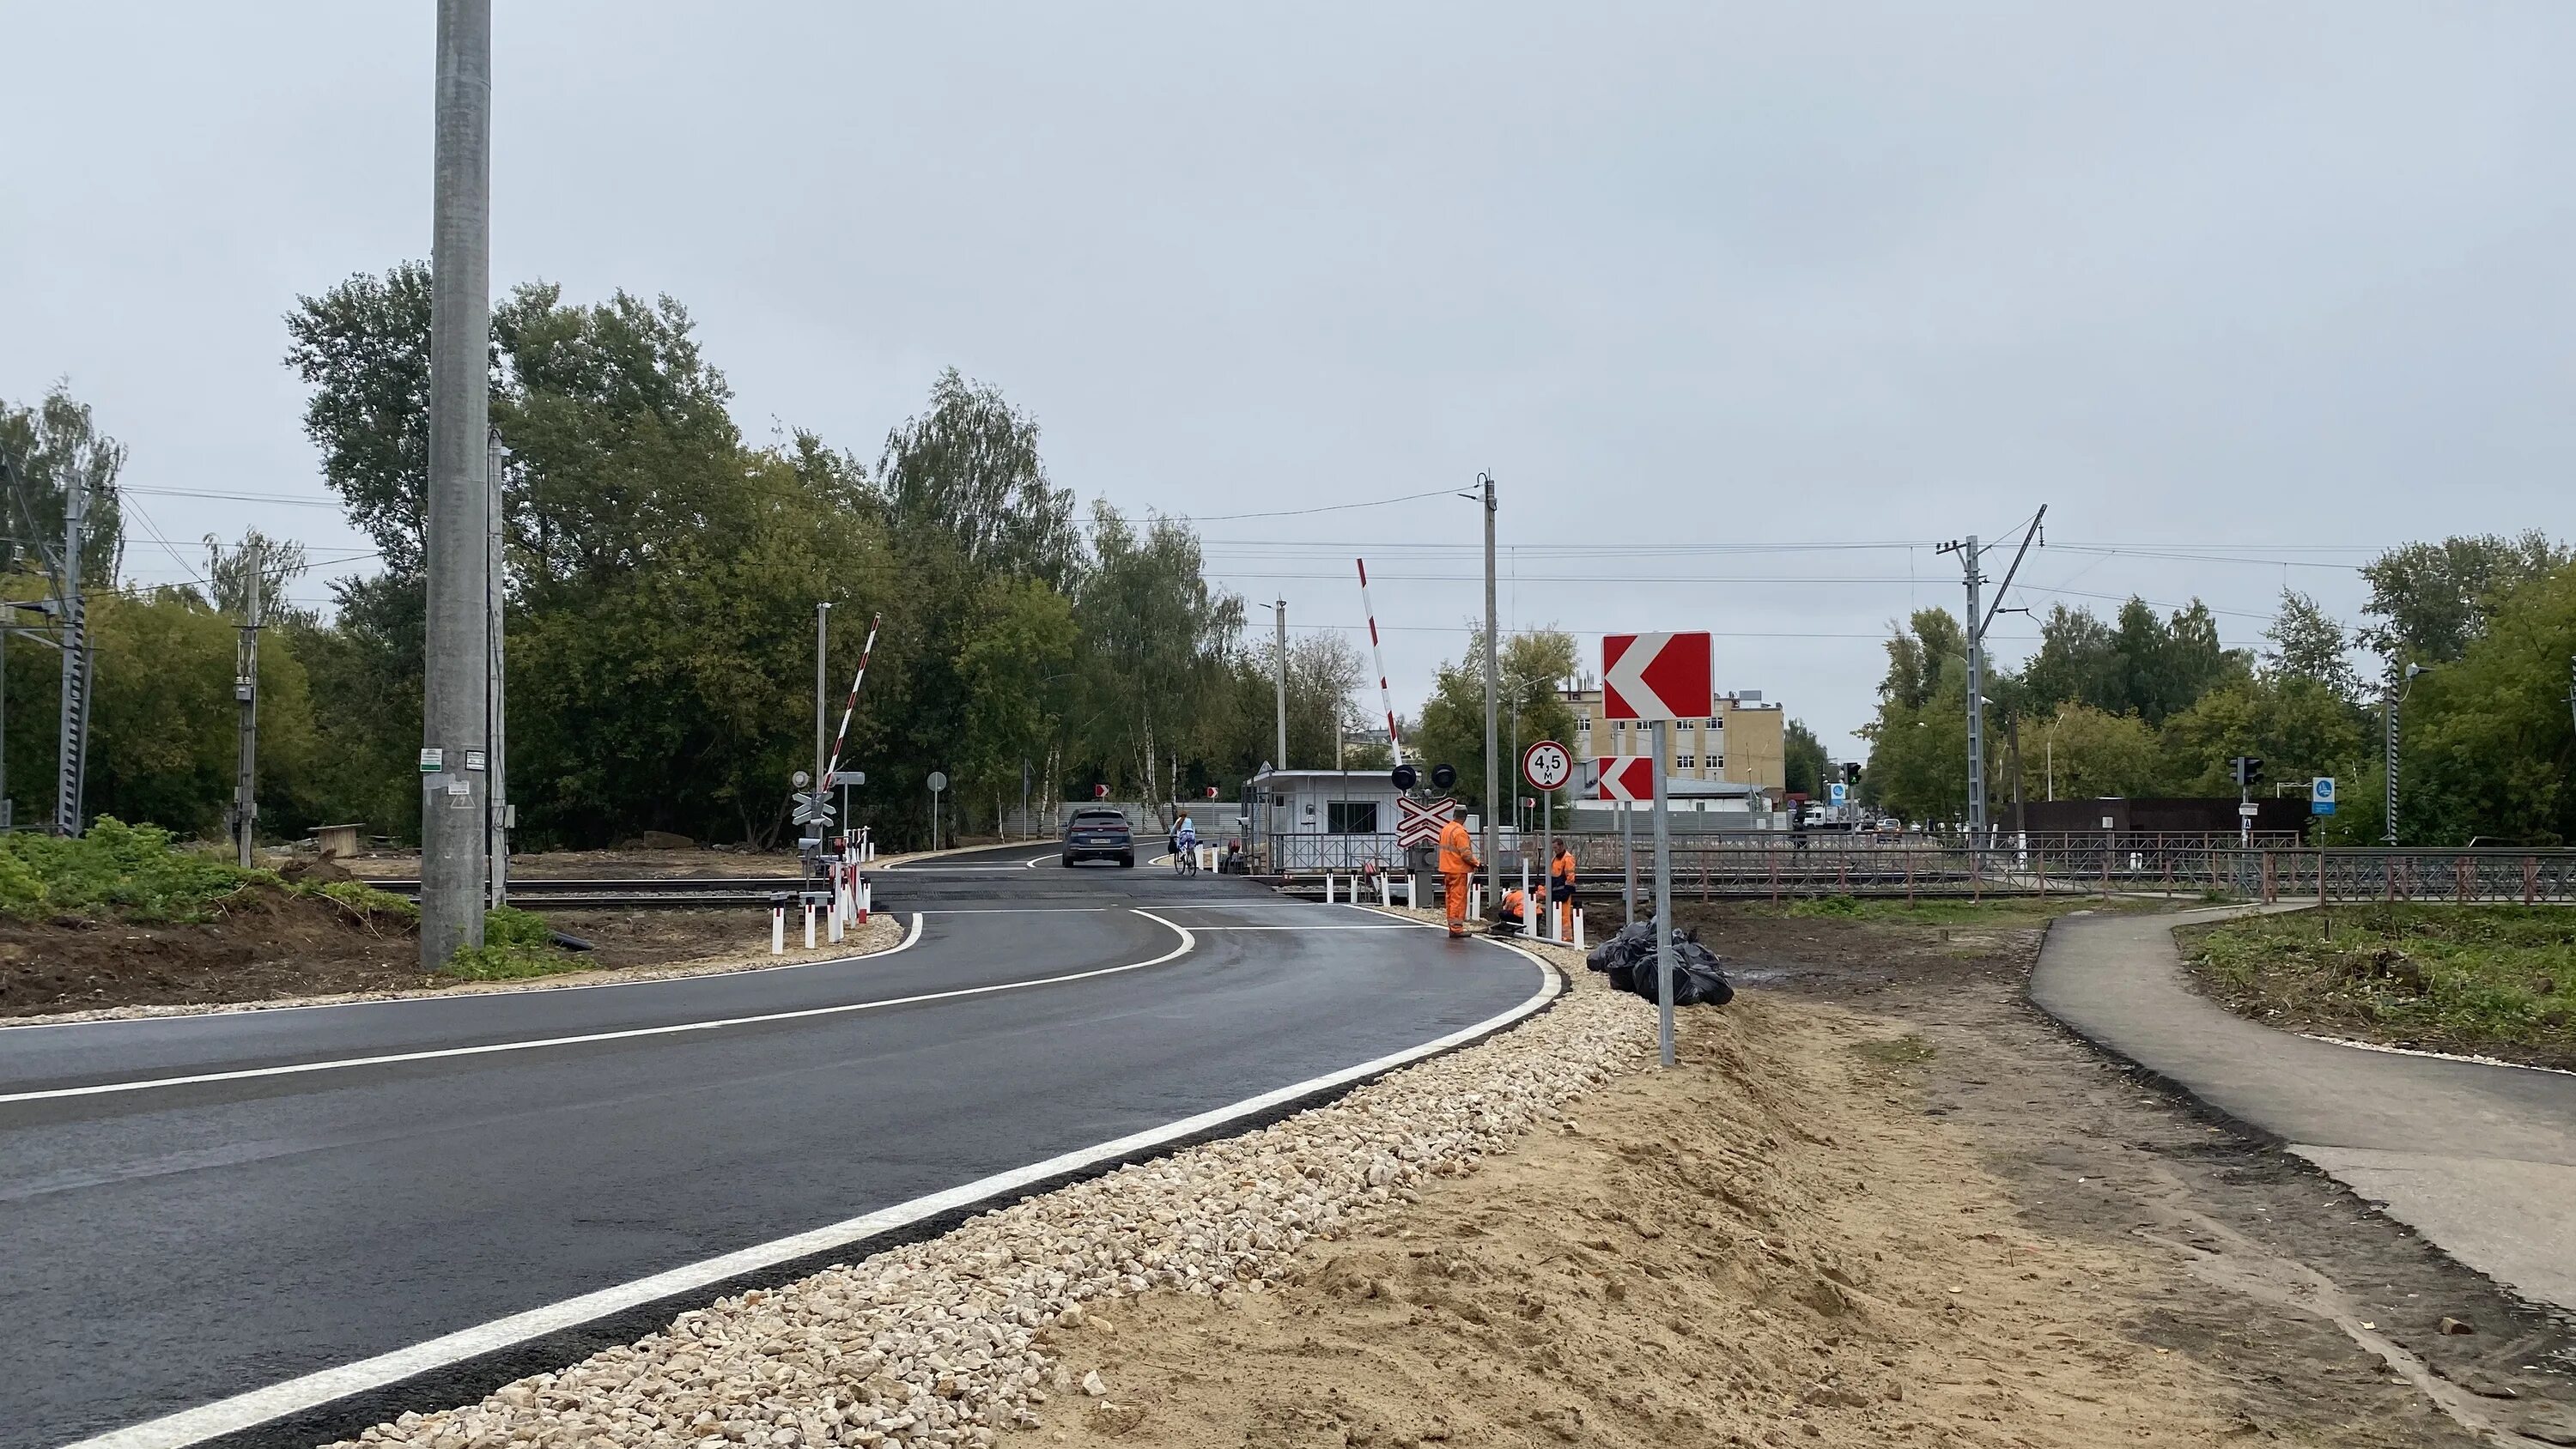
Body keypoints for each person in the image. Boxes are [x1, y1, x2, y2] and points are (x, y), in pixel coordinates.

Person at [1437, 803, 1480, 939]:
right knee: (1458, 899)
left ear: (1454, 815)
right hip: (1457, 870)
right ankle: (1456, 929)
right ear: (1465, 817)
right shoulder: (1460, 832)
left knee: (1450, 899)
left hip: (1447, 869)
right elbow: (1466, 854)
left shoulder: (1446, 829)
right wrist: (1477, 863)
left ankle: (1452, 926)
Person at [1549, 840, 1578, 939]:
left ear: (1561, 846)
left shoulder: (1567, 858)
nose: (1555, 850)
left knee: (1564, 915)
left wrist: (1567, 891)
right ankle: (1558, 934)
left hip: (1563, 891)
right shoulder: (1555, 859)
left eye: (1556, 848)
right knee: (1558, 914)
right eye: (1553, 848)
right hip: (1556, 890)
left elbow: (1570, 876)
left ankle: (1566, 937)